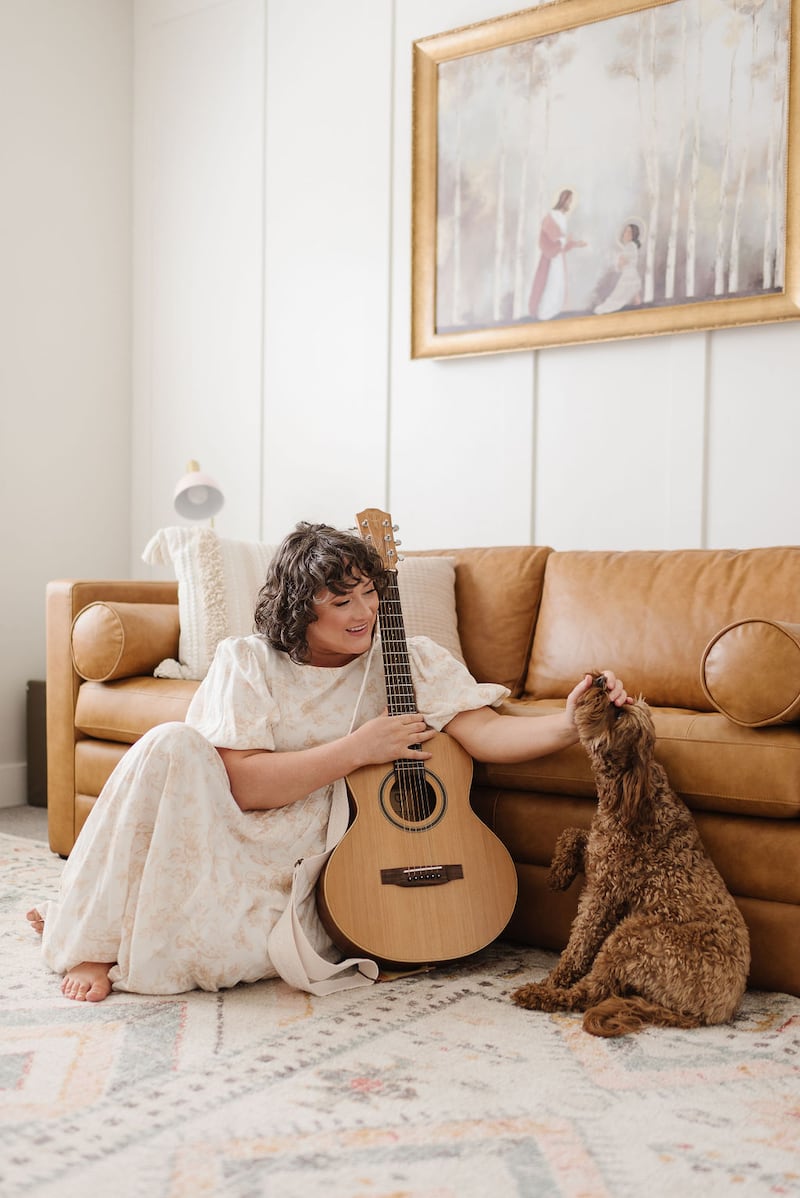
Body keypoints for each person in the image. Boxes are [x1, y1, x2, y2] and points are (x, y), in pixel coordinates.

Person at [28, 521, 630, 1002]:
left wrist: (575, 719)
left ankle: (103, 913)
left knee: (233, 955)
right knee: (169, 742)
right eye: (342, 599)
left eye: (370, 593)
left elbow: (489, 737)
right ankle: (90, 941)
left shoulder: (410, 659)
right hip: (241, 826)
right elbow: (244, 786)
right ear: (298, 608)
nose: (363, 612)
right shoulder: (249, 661)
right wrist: (358, 750)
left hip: (322, 849)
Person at [528, 188, 588, 321]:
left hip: (559, 258)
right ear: (563, 200)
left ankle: (553, 312)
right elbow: (546, 237)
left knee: (558, 285)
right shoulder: (551, 215)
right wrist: (560, 239)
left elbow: (564, 244)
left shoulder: (563, 218)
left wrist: (576, 244)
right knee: (549, 283)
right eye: (569, 200)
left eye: (571, 201)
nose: (570, 203)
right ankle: (544, 313)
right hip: (550, 258)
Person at [594, 222, 642, 315]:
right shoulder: (631, 246)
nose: (626, 234)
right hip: (632, 276)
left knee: (616, 298)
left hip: (629, 277)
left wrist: (617, 261)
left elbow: (622, 263)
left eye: (629, 232)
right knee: (634, 299)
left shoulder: (630, 246)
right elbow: (622, 263)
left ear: (633, 235)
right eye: (626, 231)